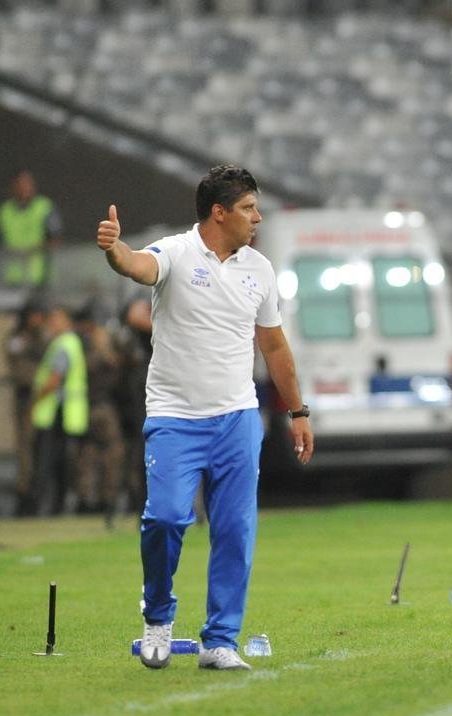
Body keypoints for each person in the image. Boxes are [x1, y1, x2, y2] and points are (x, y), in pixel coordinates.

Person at [96, 164, 313, 672]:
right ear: (219, 213)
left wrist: (297, 411)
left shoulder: (259, 269)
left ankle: (220, 640)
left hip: (237, 419)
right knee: (167, 518)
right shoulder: (175, 252)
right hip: (175, 418)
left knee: (236, 530)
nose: (257, 217)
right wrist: (113, 250)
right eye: (248, 208)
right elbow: (136, 266)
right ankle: (157, 615)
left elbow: (275, 345)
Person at [29, 304, 88, 516]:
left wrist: (35, 398)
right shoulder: (71, 343)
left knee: (50, 464)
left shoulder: (64, 344)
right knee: (62, 463)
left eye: (56, 319)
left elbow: (54, 380)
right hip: (66, 414)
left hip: (57, 413)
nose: (51, 324)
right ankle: (58, 505)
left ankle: (49, 507)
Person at [73, 300, 125, 525]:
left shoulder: (79, 342)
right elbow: (114, 367)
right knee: (109, 453)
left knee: (89, 454)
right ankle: (101, 499)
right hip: (99, 406)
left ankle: (92, 498)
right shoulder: (93, 346)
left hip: (86, 406)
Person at [3, 294, 47, 516]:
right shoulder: (18, 339)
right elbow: (20, 369)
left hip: (45, 400)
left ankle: (39, 496)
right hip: (27, 399)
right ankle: (25, 499)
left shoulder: (41, 337)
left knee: (41, 450)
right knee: (26, 451)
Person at [112, 296, 153, 516]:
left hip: (149, 393)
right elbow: (135, 316)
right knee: (140, 450)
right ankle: (140, 503)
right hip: (135, 397)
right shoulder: (132, 335)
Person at [0, 169, 62, 288]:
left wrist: (32, 250)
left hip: (39, 277)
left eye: (27, 184)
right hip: (12, 277)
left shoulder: (45, 207)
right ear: (14, 186)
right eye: (20, 184)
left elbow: (54, 239)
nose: (24, 189)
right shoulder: (5, 210)